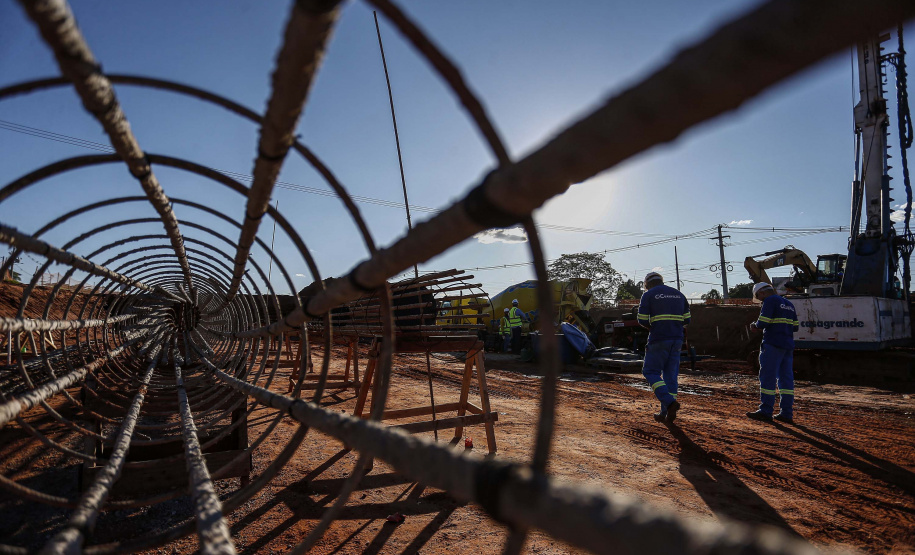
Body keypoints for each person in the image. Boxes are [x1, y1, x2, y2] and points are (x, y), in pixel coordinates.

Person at [637, 272, 690, 423]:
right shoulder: (679, 294)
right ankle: (665, 413)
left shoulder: (648, 295)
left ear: (647, 284)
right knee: (670, 376)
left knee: (650, 371)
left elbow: (641, 319)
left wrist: (652, 328)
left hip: (658, 338)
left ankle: (669, 403)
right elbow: (687, 320)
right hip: (677, 340)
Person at [747, 282, 799, 423]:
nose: (761, 300)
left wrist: (754, 325)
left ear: (762, 293)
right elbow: (795, 327)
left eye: (759, 297)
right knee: (785, 379)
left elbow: (763, 322)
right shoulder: (789, 303)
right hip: (787, 346)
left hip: (773, 345)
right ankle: (786, 413)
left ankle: (766, 411)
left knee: (768, 377)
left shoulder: (770, 301)